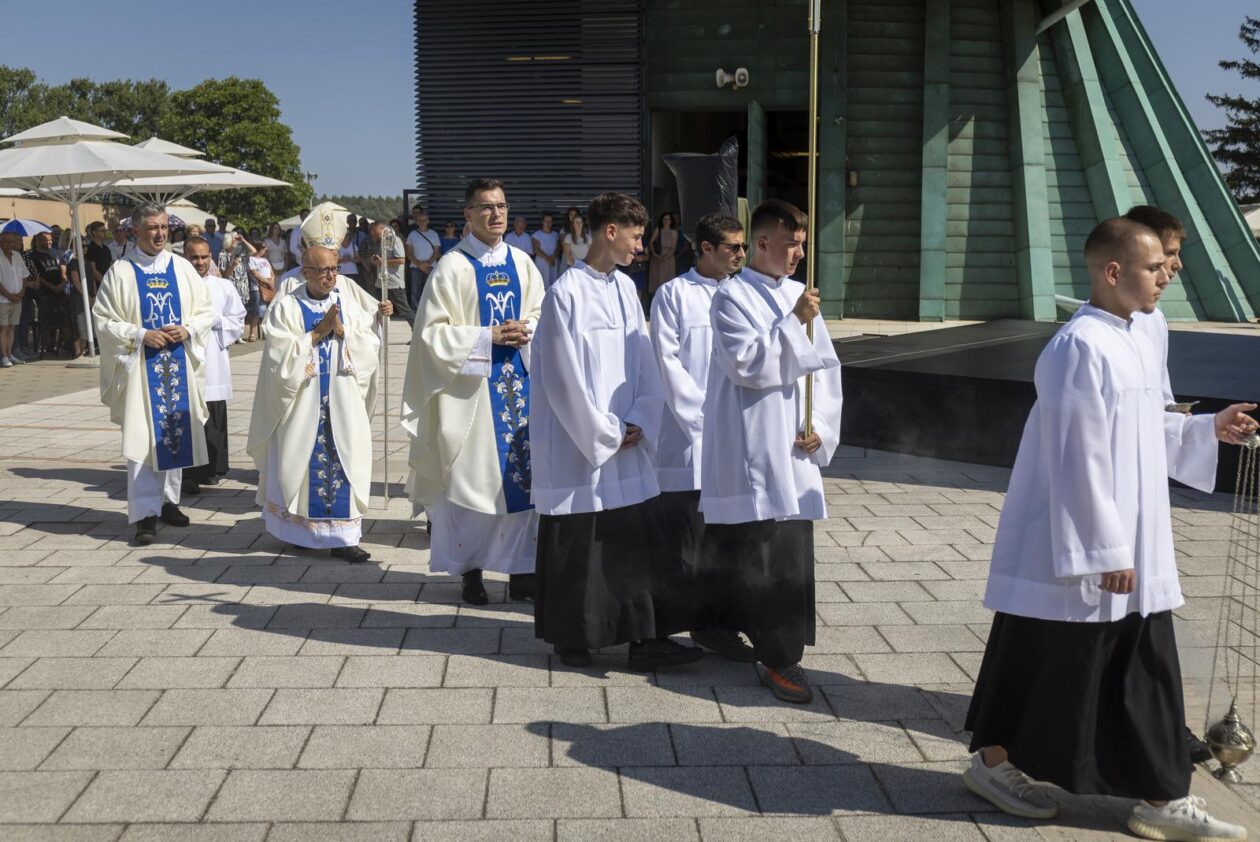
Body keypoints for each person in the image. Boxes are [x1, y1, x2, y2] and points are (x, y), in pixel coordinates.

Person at [963, 218, 1254, 840]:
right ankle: (997, 766)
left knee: (1124, 661)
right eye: (1155, 268)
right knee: (1044, 653)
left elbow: (1147, 428)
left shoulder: (1137, 335)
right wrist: (1103, 547)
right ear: (1113, 272)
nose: (1166, 277)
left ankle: (1157, 795)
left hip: (1133, 536)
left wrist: (1206, 429)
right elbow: (1077, 457)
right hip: (1087, 542)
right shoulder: (1079, 347)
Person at [531, 191, 703, 671]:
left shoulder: (627, 289)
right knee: (580, 538)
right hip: (580, 444)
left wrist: (642, 420)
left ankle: (642, 638)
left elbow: (645, 364)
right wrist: (605, 432)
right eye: (634, 236)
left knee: (633, 539)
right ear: (610, 231)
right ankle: (574, 637)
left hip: (628, 436)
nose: (640, 246)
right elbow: (561, 379)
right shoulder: (564, 294)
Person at [697, 199, 844, 704]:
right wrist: (792, 321)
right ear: (761, 244)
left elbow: (826, 369)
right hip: (753, 441)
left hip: (796, 445)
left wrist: (820, 424)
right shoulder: (731, 298)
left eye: (802, 243)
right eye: (790, 243)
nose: (800, 252)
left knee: (788, 554)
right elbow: (748, 367)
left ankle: (778, 646)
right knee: (759, 552)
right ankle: (778, 658)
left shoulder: (802, 294)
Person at [402, 178, 544, 604]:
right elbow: (430, 336)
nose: (495, 214)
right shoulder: (452, 267)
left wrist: (528, 329)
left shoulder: (523, 263)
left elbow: (541, 313)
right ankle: (471, 571)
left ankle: (522, 571)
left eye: (501, 205)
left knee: (525, 480)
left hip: (521, 387)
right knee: (470, 482)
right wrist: (487, 336)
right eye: (485, 207)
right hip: (471, 396)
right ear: (468, 214)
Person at [1122, 204, 1218, 767]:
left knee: (1145, 612)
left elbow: (1153, 403)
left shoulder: (1153, 321)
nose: (1175, 268)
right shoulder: (1089, 340)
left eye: (1177, 256)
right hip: (1115, 497)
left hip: (1144, 484)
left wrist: (1197, 424)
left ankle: (1155, 720)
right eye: (1167, 256)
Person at [247, 204, 394, 564]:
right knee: (299, 460)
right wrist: (317, 333)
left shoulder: (347, 292)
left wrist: (370, 319)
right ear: (305, 269)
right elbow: (278, 352)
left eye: (334, 268)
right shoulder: (288, 301)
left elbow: (367, 338)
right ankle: (302, 532)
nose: (331, 276)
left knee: (347, 459)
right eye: (323, 270)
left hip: (342, 400)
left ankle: (345, 536)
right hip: (302, 400)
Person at [649, 212, 755, 662]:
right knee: (686, 540)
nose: (742, 254)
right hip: (688, 443)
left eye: (744, 246)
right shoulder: (673, 295)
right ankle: (680, 620)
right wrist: (706, 422)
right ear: (705, 248)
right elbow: (667, 365)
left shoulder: (746, 294)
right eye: (733, 247)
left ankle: (718, 624)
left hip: (737, 443)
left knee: (727, 541)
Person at [92, 203, 215, 545]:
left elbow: (206, 311)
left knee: (175, 435)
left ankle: (169, 503)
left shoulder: (182, 268)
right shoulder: (121, 272)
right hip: (140, 370)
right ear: (136, 231)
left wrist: (188, 329)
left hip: (177, 364)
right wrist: (140, 334)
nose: (160, 234)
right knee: (144, 440)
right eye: (152, 228)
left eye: (163, 228)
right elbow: (102, 320)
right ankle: (144, 514)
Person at [182, 236, 245, 491]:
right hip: (186, 354)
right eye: (194, 257)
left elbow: (238, 319)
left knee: (213, 412)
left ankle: (212, 467)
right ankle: (188, 471)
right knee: (189, 414)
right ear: (186, 258)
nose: (199, 262)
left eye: (204, 256)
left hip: (214, 357)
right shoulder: (178, 284)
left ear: (211, 257)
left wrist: (214, 320)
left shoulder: (223, 286)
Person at [28, 232, 69, 357]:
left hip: (60, 291)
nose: (49, 242)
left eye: (50, 240)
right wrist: (51, 286)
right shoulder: (33, 256)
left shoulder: (55, 253)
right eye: (46, 240)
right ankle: (47, 345)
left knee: (63, 319)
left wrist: (62, 283)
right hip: (45, 292)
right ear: (38, 240)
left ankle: (63, 344)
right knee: (46, 320)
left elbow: (62, 268)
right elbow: (37, 275)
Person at [369, 221, 414, 325]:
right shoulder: (379, 241)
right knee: (377, 308)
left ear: (383, 229)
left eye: (375, 232)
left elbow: (401, 260)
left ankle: (418, 334)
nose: (373, 235)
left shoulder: (395, 240)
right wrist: (376, 261)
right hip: (381, 282)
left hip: (394, 283)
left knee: (405, 311)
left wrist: (382, 262)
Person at [0, 232, 30, 367]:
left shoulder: (18, 256)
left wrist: (21, 293)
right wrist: (8, 295)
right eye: (6, 242)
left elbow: (24, 276)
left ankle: (10, 353)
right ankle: (4, 356)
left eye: (11, 242)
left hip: (18, 298)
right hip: (3, 300)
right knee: (3, 328)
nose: (9, 244)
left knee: (12, 327)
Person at [405, 205, 442, 310]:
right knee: (415, 291)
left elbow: (436, 251)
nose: (422, 222)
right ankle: (416, 313)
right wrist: (419, 264)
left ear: (428, 221)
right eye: (420, 220)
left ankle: (429, 310)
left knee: (430, 289)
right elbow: (409, 252)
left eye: (424, 220)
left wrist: (427, 264)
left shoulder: (433, 234)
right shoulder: (412, 235)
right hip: (416, 267)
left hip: (430, 266)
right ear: (416, 222)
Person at [245, 241, 274, 342]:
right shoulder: (251, 259)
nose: (265, 249)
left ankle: (265, 331)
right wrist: (266, 282)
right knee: (256, 310)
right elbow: (254, 273)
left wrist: (271, 282)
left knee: (267, 310)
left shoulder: (265, 260)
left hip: (267, 287)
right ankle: (253, 333)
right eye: (264, 248)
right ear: (259, 249)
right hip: (257, 287)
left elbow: (271, 272)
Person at [648, 212, 679, 299]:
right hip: (657, 257)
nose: (666, 221)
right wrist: (655, 254)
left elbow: (673, 248)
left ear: (671, 221)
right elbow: (651, 242)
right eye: (664, 219)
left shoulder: (674, 232)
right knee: (657, 282)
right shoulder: (658, 229)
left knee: (668, 282)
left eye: (668, 219)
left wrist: (665, 258)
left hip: (668, 259)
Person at [531, 213, 560, 287]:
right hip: (542, 263)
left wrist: (552, 258)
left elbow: (558, 248)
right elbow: (536, 249)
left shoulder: (555, 234)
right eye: (546, 221)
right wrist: (548, 259)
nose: (548, 223)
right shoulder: (537, 234)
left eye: (550, 221)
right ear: (542, 222)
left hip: (553, 262)